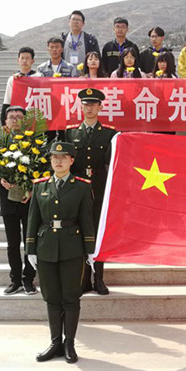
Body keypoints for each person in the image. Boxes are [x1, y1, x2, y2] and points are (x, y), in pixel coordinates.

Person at [26, 141, 95, 364]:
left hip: (72, 248)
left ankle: (69, 344)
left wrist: (90, 249)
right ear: (50, 160)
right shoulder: (40, 186)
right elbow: (33, 219)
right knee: (52, 297)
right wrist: (30, 248)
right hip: (46, 248)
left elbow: (87, 219)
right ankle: (55, 342)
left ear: (72, 161)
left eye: (64, 157)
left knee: (70, 297)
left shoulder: (82, 186)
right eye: (55, 158)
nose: (59, 161)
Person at [64, 88, 117, 296]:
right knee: (79, 233)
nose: (89, 108)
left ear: (100, 107)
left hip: (99, 186)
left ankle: (99, 278)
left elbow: (112, 163)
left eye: (93, 105)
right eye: (86, 105)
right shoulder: (70, 133)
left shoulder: (110, 133)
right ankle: (83, 279)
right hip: (77, 188)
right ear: (81, 107)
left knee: (98, 232)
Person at [0, 106, 37, 296]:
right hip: (9, 200)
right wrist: (0, 180)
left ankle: (28, 280)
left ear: (25, 121)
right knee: (12, 243)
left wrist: (31, 188)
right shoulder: (0, 143)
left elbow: (41, 170)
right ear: (6, 122)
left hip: (28, 201)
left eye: (19, 117)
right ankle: (15, 280)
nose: (15, 120)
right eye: (11, 117)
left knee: (29, 241)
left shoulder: (34, 143)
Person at [1, 47, 37, 124]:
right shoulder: (13, 79)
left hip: (36, 118)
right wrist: (3, 123)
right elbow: (7, 100)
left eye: (27, 58)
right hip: (17, 120)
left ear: (32, 61)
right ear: (18, 60)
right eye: (22, 58)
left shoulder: (39, 77)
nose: (24, 61)